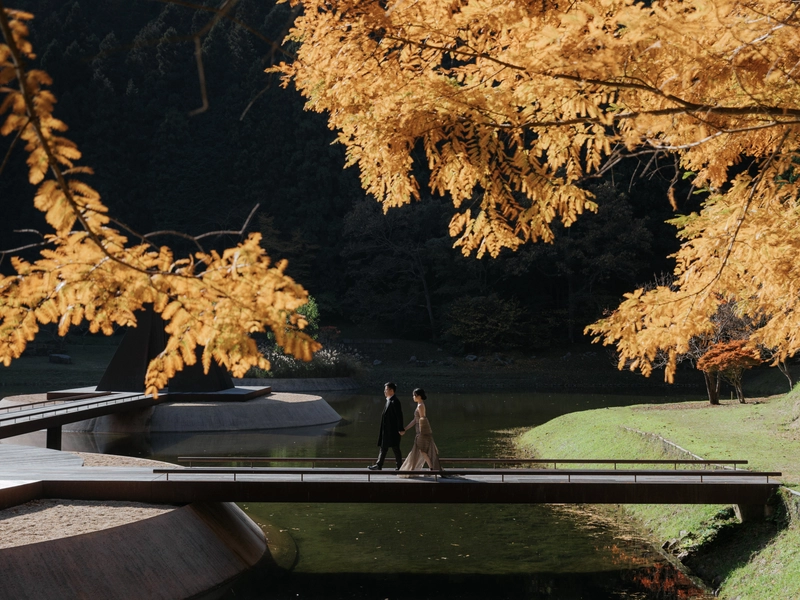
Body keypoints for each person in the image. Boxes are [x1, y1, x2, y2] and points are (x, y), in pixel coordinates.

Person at [398, 388, 443, 476]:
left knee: (423, 450)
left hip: (422, 432)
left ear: (418, 396)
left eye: (414, 395)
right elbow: (415, 420)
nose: (413, 397)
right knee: (422, 450)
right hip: (419, 431)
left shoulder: (420, 406)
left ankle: (431, 468)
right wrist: (405, 429)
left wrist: (422, 432)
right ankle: (431, 468)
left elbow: (423, 419)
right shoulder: (419, 405)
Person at [368, 382, 404, 470]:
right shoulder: (389, 400)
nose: (384, 391)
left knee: (395, 448)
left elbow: (399, 416)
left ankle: (399, 466)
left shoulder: (395, 401)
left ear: (391, 390)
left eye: (386, 389)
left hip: (393, 430)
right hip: (387, 430)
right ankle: (379, 465)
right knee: (384, 447)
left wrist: (400, 428)